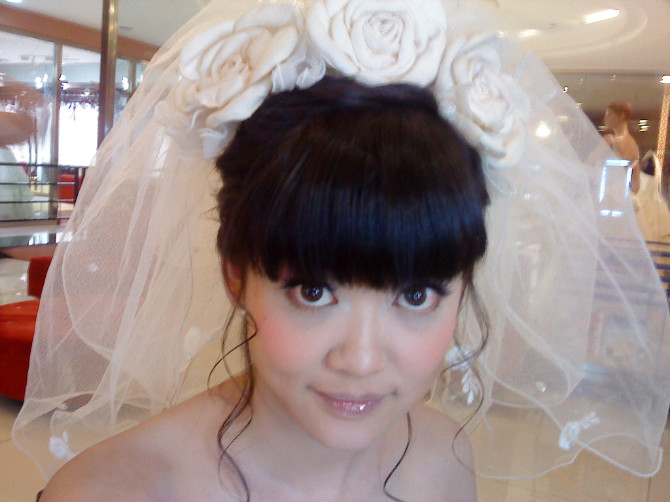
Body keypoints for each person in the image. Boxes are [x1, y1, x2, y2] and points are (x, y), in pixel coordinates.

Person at [13, 0, 670, 499]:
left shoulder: (444, 460)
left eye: (416, 294)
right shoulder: (116, 489)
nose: (360, 359)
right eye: (313, 291)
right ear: (236, 276)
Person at [603, 101, 641, 193]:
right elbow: (636, 183)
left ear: (621, 116)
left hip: (607, 192)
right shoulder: (634, 145)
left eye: (609, 114)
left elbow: (591, 163)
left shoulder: (609, 140)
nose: (605, 119)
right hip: (623, 195)